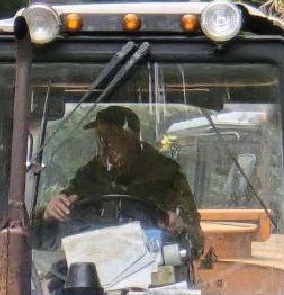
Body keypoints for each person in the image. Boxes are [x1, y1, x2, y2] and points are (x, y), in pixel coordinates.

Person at [42, 105, 203, 256]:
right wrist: (50, 211)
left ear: (133, 137)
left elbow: (196, 242)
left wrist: (179, 226)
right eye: (100, 138)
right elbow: (51, 223)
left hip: (154, 269)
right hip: (94, 265)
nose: (104, 145)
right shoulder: (88, 175)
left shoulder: (166, 174)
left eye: (112, 137)